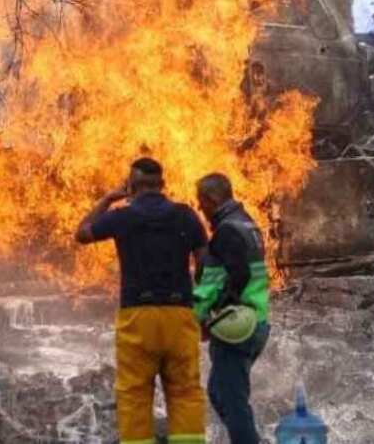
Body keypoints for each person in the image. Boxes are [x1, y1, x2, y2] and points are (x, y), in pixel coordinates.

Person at [74, 157, 208, 444]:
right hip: (179, 315)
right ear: (163, 185)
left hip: (138, 317)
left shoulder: (122, 216)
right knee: (185, 392)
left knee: (134, 394)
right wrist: (203, 308)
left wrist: (108, 199)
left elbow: (82, 233)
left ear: (131, 186)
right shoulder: (186, 215)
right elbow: (204, 265)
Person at [192, 173, 270, 444]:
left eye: (201, 202)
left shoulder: (228, 231)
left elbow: (233, 277)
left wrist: (209, 313)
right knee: (218, 391)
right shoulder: (248, 225)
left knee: (232, 400)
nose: (200, 209)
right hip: (257, 321)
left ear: (212, 199)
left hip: (238, 327)